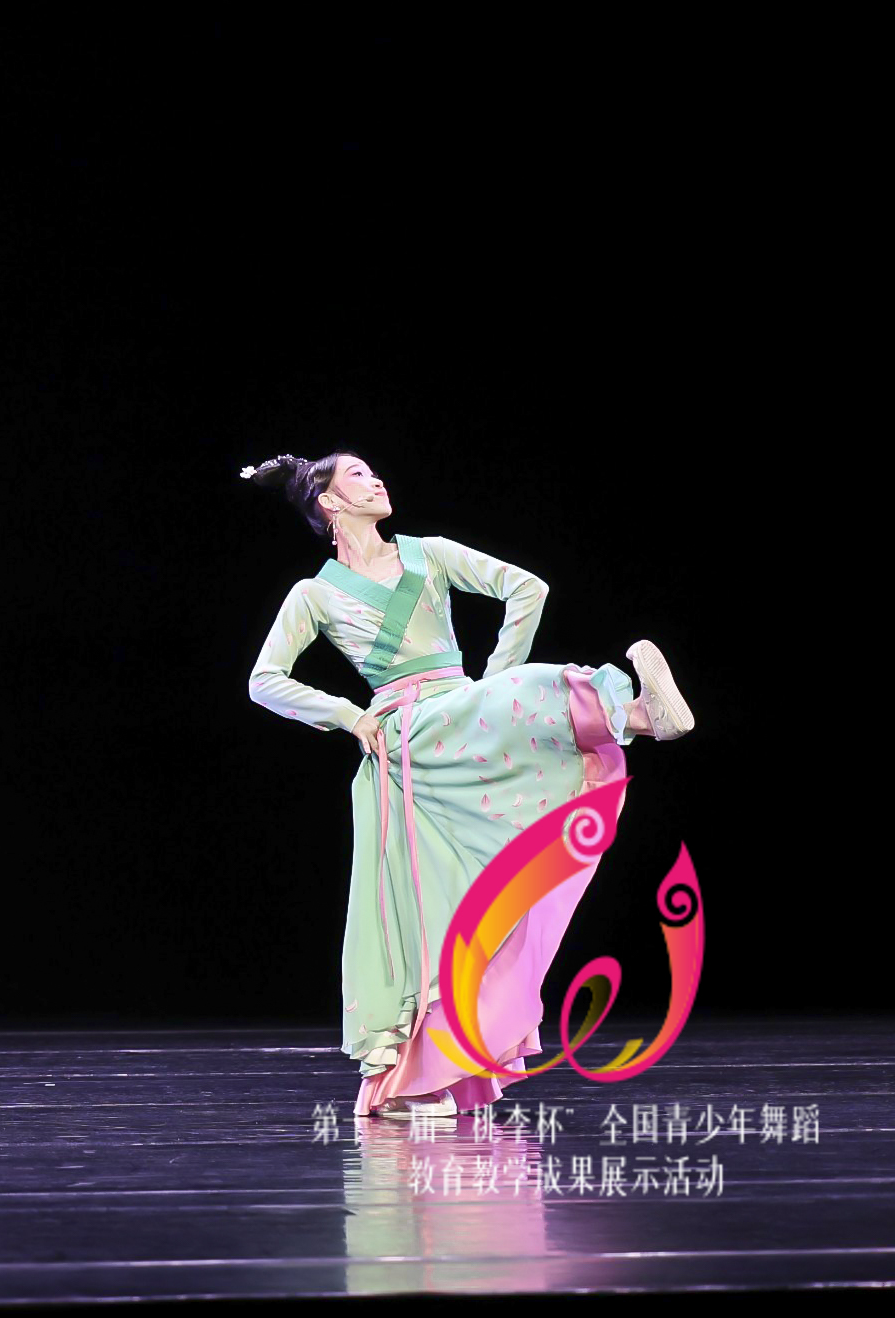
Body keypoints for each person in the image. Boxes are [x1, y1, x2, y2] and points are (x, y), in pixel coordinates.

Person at [239, 450, 694, 1117]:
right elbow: (264, 680)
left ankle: (637, 716)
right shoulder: (315, 594)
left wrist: (492, 683)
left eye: (373, 471)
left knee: (485, 890)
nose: (376, 479)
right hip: (405, 747)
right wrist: (347, 714)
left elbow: (528, 589)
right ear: (329, 502)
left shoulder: (429, 553)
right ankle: (408, 1083)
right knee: (423, 916)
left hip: (459, 717)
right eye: (358, 475)